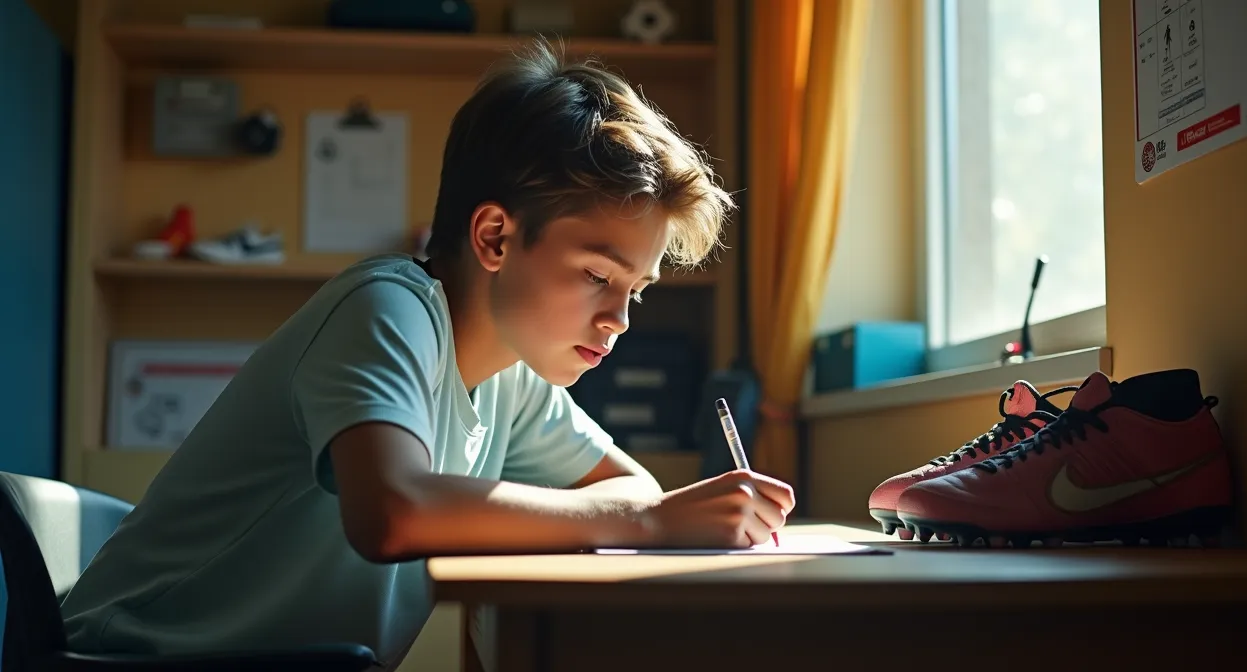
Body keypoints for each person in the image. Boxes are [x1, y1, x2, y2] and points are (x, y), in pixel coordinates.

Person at [60, 39, 795, 670]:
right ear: (495, 239)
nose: (620, 318)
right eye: (598, 276)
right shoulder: (387, 307)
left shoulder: (511, 371)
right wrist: (650, 525)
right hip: (129, 657)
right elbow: (392, 512)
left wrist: (647, 515)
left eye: (637, 289)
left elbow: (631, 491)